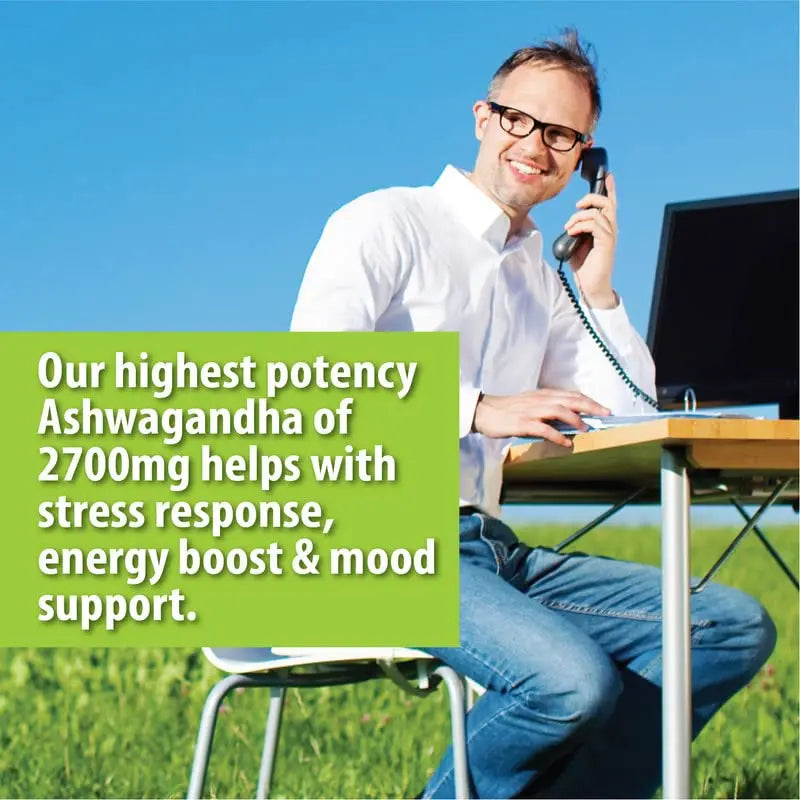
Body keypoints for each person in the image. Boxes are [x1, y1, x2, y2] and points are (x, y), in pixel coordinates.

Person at [290, 29, 776, 800]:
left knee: (726, 628)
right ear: (483, 117)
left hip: (483, 549)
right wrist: (478, 409)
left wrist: (599, 292)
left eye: (562, 135)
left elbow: (626, 417)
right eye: (522, 120)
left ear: (585, 157)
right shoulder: (384, 223)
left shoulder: (539, 279)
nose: (537, 146)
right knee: (571, 684)